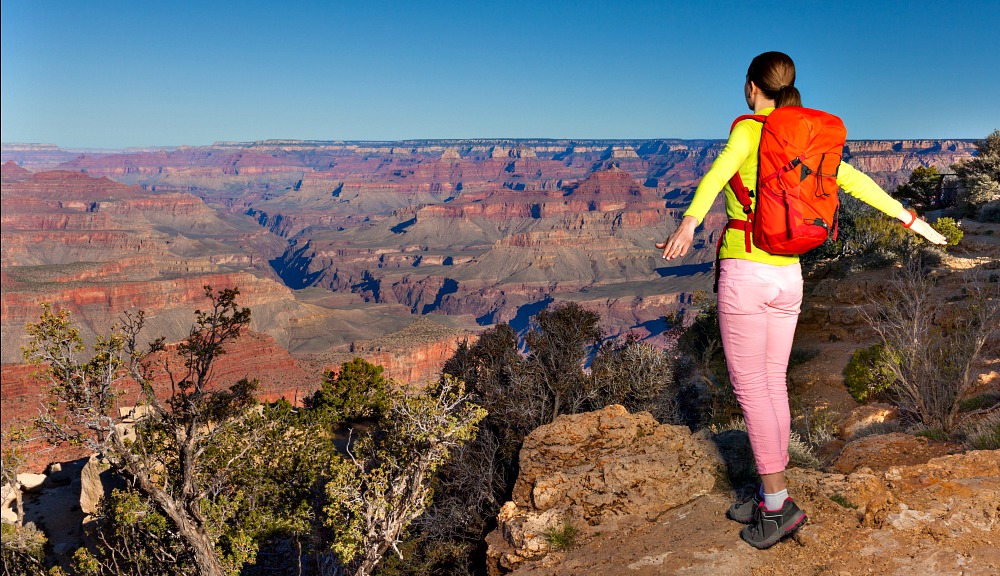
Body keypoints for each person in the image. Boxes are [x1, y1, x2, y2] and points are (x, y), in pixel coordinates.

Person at [655, 51, 946, 550]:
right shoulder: (807, 141)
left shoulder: (750, 131)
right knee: (772, 383)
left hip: (746, 273)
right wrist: (910, 218)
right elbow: (852, 181)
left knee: (750, 391)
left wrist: (688, 222)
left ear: (752, 88)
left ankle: (777, 504)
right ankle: (768, 494)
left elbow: (719, 174)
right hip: (789, 277)